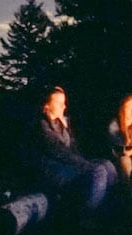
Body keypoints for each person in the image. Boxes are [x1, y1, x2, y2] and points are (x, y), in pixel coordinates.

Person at [30, 86, 115, 217]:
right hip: (52, 169)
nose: (63, 106)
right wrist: (85, 165)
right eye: (58, 103)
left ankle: (106, 207)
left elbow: (73, 148)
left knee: (107, 165)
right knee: (97, 171)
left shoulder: (61, 123)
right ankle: (86, 215)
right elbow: (58, 150)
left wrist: (67, 129)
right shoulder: (41, 125)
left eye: (64, 103)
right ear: (46, 105)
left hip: (68, 164)